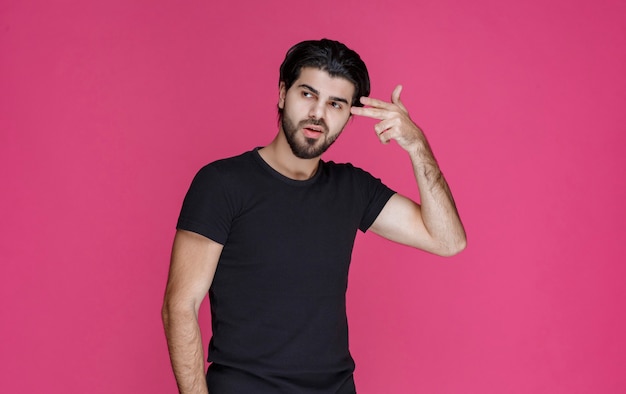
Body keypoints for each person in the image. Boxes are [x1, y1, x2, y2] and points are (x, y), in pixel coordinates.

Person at [162, 38, 466, 394]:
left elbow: (448, 240)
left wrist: (417, 145)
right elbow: (180, 306)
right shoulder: (222, 184)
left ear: (349, 115)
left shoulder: (352, 188)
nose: (318, 114)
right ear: (282, 94)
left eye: (335, 104)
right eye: (307, 94)